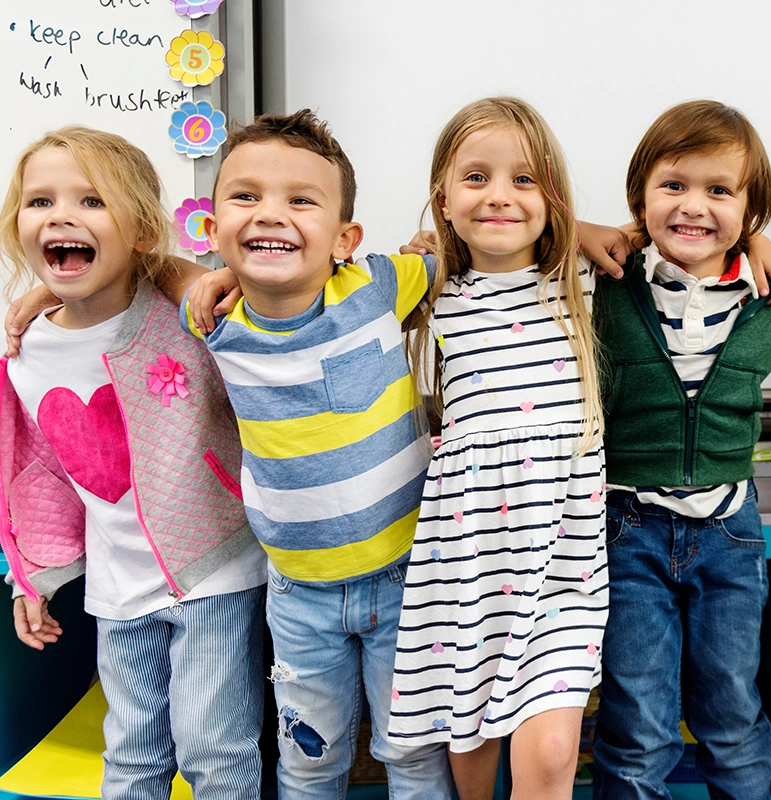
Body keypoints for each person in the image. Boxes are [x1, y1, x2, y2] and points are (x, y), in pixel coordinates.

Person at [180, 109, 452, 799]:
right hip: (299, 594)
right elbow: (137, 267)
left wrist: (435, 242)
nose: (271, 214)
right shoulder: (212, 318)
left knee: (415, 756)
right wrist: (42, 290)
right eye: (246, 197)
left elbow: (466, 248)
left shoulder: (377, 285)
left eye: (300, 200)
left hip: (408, 578)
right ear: (213, 230)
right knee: (309, 761)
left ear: (344, 239)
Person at [0, 126, 269, 800]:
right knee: (131, 755)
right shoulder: (25, 352)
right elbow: (41, 477)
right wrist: (30, 578)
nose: (60, 216)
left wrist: (183, 275)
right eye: (40, 202)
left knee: (214, 752)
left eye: (92, 201)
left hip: (214, 568)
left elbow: (242, 299)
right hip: (117, 587)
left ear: (144, 231)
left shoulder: (186, 317)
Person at [383, 96, 608, 800]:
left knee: (552, 751)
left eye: (524, 179)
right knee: (470, 754)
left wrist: (759, 241)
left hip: (563, 563)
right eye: (476, 178)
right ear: (443, 197)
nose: (500, 196)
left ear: (553, 195)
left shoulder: (582, 279)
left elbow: (683, 231)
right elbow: (304, 288)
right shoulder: (428, 288)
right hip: (468, 560)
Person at [590, 99, 771, 800]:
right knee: (637, 723)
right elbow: (527, 239)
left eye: (719, 191)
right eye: (673, 185)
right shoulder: (607, 282)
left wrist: (761, 240)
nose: (693, 206)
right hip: (630, 530)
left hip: (729, 534)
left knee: (731, 714)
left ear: (749, 207)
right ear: (641, 196)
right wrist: (619, 232)